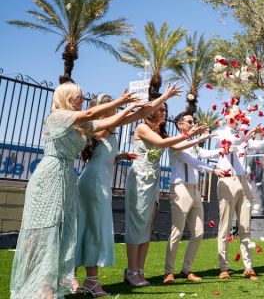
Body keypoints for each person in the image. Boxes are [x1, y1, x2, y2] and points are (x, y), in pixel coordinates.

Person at [10, 82, 139, 299]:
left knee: (61, 233)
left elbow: (114, 120)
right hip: (48, 178)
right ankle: (41, 289)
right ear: (67, 97)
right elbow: (90, 112)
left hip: (67, 178)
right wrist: (121, 101)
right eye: (78, 96)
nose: (81, 99)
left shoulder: (81, 125)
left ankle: (49, 287)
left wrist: (140, 107)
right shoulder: (57, 117)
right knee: (44, 232)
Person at [75, 83, 181, 296]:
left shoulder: (109, 129)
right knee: (89, 230)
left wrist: (120, 157)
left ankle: (87, 280)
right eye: (111, 106)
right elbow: (138, 115)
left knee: (90, 230)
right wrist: (129, 105)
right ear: (102, 109)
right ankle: (86, 280)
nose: (115, 110)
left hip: (101, 179)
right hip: (93, 181)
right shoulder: (98, 125)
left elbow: (103, 157)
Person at [124, 102, 207, 287]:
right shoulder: (142, 127)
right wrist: (191, 135)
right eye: (161, 110)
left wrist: (198, 136)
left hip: (153, 179)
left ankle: (139, 271)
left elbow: (183, 147)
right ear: (152, 112)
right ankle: (131, 271)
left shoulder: (160, 133)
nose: (164, 113)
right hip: (139, 178)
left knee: (148, 228)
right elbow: (167, 145)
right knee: (137, 226)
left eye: (165, 110)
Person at [213, 105, 264, 280]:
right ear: (228, 114)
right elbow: (215, 153)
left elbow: (257, 145)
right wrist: (250, 132)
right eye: (235, 111)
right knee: (225, 226)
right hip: (227, 179)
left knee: (245, 227)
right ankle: (224, 267)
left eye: (240, 112)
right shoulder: (220, 134)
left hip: (243, 182)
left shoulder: (242, 135)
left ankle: (248, 267)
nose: (239, 114)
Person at [163, 111, 220, 285]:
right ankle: (168, 272)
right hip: (180, 188)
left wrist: (223, 149)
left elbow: (205, 153)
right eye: (190, 121)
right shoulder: (175, 143)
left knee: (198, 232)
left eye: (193, 121)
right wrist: (213, 170)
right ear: (180, 124)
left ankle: (186, 270)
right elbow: (191, 161)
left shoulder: (193, 144)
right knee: (177, 232)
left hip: (195, 190)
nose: (193, 123)